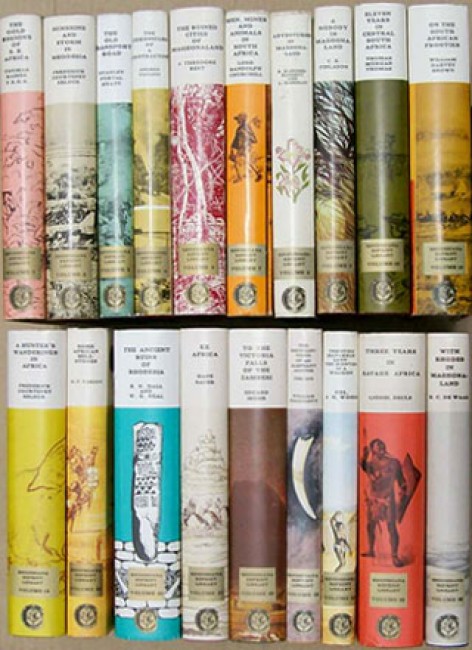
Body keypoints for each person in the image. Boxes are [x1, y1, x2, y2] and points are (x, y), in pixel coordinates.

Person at [360, 438, 407, 568]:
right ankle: (371, 550)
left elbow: (401, 481)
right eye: (377, 445)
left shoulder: (394, 463)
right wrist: (364, 455)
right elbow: (362, 465)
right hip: (374, 500)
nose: (381, 447)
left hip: (388, 499)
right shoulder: (370, 464)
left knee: (391, 527)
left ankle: (394, 556)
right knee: (370, 525)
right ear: (373, 450)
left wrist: (403, 490)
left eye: (382, 444)